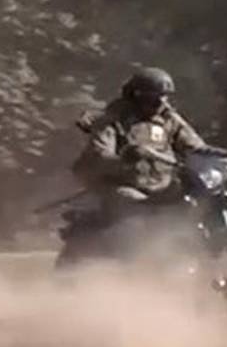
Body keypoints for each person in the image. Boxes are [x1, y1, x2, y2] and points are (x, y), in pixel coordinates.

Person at [70, 66, 214, 233]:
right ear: (138, 96)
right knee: (136, 213)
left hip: (162, 185)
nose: (161, 102)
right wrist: (126, 158)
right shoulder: (113, 119)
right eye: (154, 98)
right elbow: (98, 155)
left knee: (191, 201)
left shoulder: (168, 119)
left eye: (164, 96)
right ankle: (133, 245)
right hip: (122, 184)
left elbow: (196, 147)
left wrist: (226, 155)